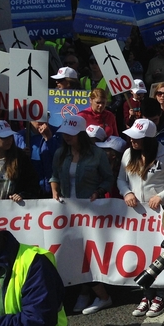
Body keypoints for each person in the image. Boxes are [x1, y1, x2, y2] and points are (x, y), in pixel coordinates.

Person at [118, 118, 164, 318]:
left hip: (159, 214)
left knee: (159, 252)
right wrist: (127, 194)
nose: (132, 141)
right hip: (137, 214)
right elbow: (121, 179)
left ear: (149, 139)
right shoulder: (128, 154)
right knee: (141, 251)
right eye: (131, 137)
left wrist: (162, 196)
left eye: (137, 138)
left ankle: (161, 295)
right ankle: (146, 293)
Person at [49, 116, 114, 315]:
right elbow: (54, 176)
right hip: (68, 212)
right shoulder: (60, 153)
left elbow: (109, 178)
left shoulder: (96, 154)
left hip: (90, 213)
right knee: (74, 252)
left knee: (88, 253)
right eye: (64, 133)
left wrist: (99, 191)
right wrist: (54, 189)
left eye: (71, 133)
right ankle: (84, 292)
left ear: (80, 134)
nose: (66, 137)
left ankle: (103, 296)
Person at [0, 120, 39, 205]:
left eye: (10, 136)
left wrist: (22, 195)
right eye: (3, 137)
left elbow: (32, 184)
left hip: (13, 212)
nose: (9, 140)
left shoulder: (21, 158)